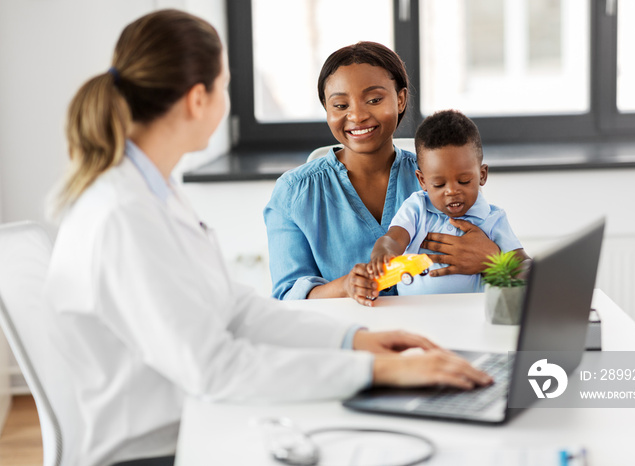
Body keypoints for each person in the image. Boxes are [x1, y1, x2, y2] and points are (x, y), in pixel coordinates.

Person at [43, 11, 491, 466]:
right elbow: (217, 368)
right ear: (199, 99)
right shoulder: (124, 215)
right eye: (225, 86)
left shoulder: (152, 193)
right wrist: (381, 370)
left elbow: (234, 308)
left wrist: (355, 341)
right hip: (159, 448)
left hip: (198, 418)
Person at [264, 42, 500, 306]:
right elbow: (287, 295)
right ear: (326, 109)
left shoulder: (443, 180)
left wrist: (494, 257)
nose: (357, 115)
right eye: (340, 105)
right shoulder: (294, 193)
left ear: (400, 100)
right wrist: (344, 286)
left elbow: (493, 254)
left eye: (374, 100)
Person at [367, 110, 531, 297]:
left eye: (464, 181)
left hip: (471, 313)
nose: (452, 191)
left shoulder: (493, 218)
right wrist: (384, 252)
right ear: (422, 181)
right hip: (413, 312)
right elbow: (394, 238)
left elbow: (525, 269)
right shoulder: (417, 207)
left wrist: (496, 261)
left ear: (482, 175)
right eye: (439, 184)